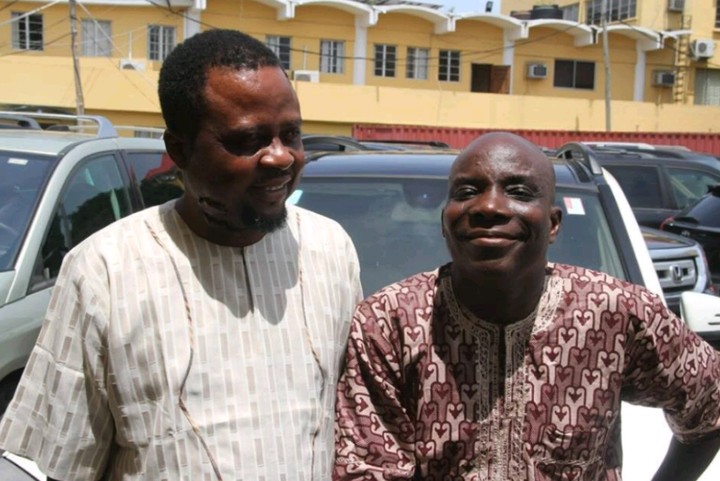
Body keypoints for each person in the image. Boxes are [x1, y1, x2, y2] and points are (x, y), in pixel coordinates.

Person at [0, 29, 362, 481]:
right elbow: (62, 461)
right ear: (180, 151)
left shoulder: (330, 250)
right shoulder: (105, 270)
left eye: (290, 135)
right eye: (247, 140)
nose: (279, 157)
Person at [333, 132, 720, 480]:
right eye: (467, 192)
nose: (489, 206)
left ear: (553, 224)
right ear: (444, 220)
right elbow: (367, 471)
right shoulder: (388, 323)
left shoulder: (616, 313)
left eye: (518, 191)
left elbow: (712, 408)